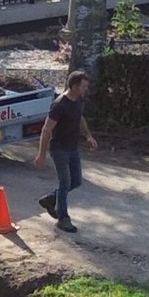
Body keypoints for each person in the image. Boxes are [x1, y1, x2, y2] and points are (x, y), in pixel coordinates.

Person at [33, 71, 98, 234]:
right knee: (65, 182)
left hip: (72, 148)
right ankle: (63, 219)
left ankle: (50, 199)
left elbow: (80, 118)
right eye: (83, 86)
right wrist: (41, 154)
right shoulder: (59, 104)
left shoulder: (78, 100)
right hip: (59, 149)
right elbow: (46, 130)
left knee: (76, 181)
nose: (86, 89)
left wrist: (88, 136)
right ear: (75, 86)